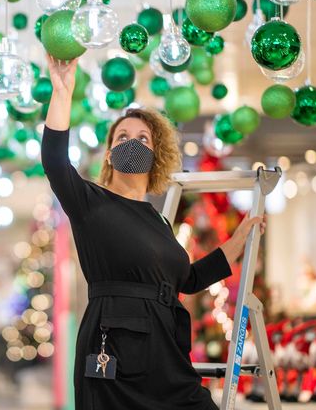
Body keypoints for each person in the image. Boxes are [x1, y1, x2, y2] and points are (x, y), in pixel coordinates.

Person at [41, 54, 266, 410]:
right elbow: (54, 161)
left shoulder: (159, 220)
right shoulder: (91, 202)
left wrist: (237, 242)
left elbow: (187, 280)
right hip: (116, 345)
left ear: (156, 155)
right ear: (111, 152)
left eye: (143, 138)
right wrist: (62, 92)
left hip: (165, 347)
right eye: (123, 136)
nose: (133, 142)